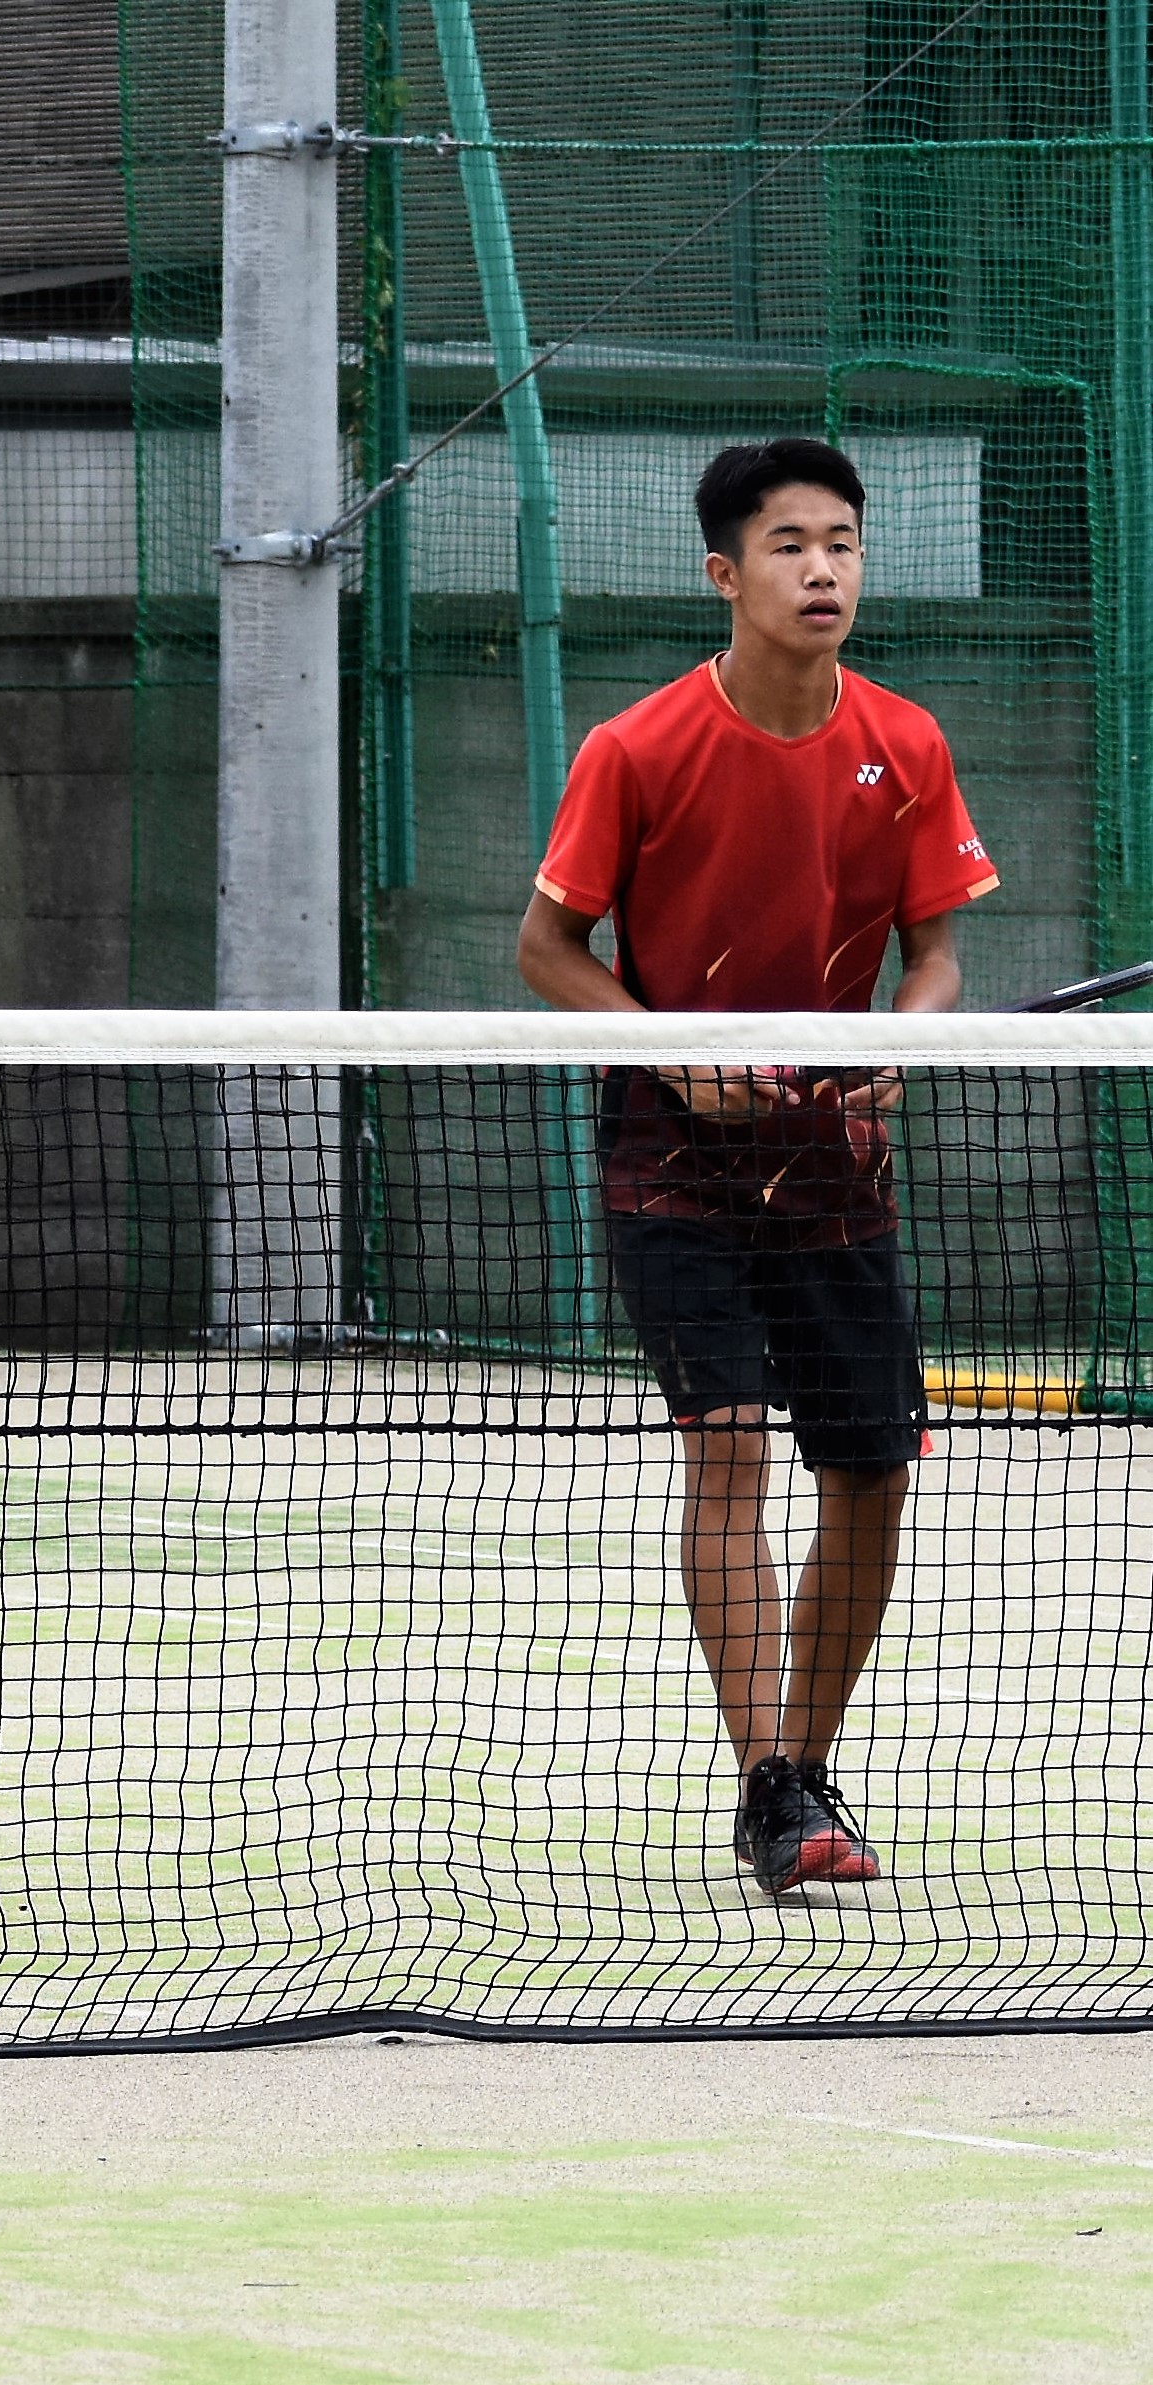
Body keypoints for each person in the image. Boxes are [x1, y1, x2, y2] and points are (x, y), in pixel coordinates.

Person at [515, 436, 998, 1896]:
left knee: (869, 1471)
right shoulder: (636, 747)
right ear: (723, 574)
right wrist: (674, 1053)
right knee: (724, 1446)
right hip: (670, 1149)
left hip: (832, 1156)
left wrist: (905, 1043)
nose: (821, 569)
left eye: (840, 542)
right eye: (788, 545)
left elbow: (932, 957)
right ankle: (771, 1793)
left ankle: (800, 1762)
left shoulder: (905, 744)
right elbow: (546, 950)